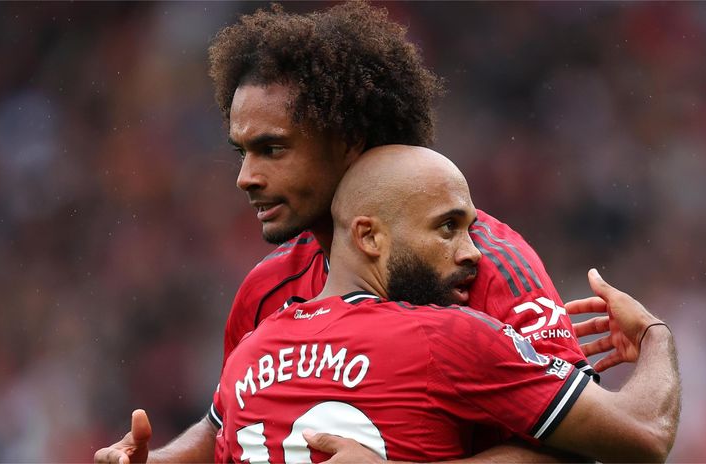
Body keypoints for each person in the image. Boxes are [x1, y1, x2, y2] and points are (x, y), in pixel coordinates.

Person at [94, 3, 606, 463]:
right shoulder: (265, 291)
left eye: (272, 149)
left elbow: (588, 445)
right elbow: (226, 423)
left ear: (347, 142)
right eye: (241, 152)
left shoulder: (490, 265)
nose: (245, 176)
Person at [215, 145, 680, 463]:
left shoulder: (249, 356)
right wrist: (653, 335)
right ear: (369, 236)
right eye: (447, 228)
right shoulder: (448, 335)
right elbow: (644, 434)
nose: (474, 251)